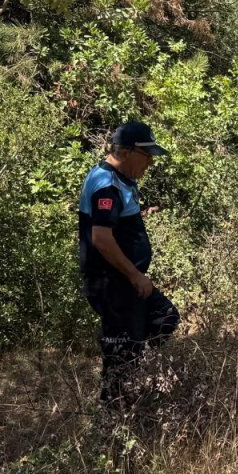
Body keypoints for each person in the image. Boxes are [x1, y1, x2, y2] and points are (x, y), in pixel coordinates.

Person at [78, 120, 180, 409]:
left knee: (164, 318)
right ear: (125, 151)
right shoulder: (106, 185)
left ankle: (137, 377)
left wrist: (141, 216)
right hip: (114, 285)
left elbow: (114, 225)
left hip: (125, 281)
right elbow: (100, 238)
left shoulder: (121, 180)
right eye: (146, 155)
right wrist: (135, 274)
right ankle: (115, 417)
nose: (150, 162)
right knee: (121, 353)